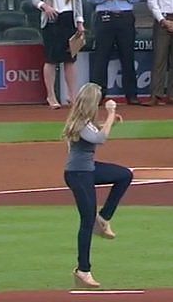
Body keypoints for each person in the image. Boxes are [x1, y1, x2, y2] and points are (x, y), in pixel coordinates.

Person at [62, 82, 134, 289]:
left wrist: (110, 121)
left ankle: (103, 218)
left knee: (124, 175)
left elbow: (96, 133)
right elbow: (100, 139)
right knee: (86, 221)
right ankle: (83, 270)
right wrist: (111, 113)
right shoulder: (80, 123)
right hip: (78, 174)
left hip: (88, 170)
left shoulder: (85, 121)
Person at [86, 0, 142, 105]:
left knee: (127, 57)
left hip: (125, 17)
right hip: (105, 17)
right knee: (101, 58)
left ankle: (131, 95)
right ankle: (98, 96)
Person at [32, 0, 85, 109]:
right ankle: (51, 96)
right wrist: (44, 6)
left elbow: (77, 2)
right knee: (51, 59)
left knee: (70, 60)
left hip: (69, 20)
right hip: (52, 21)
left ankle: (72, 95)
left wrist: (80, 22)